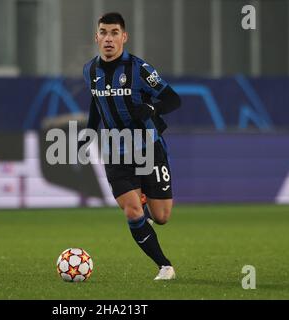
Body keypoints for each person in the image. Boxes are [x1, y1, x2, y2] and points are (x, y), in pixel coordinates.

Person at [80, 12, 181, 280]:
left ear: (124, 37)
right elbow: (95, 102)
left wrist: (151, 107)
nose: (108, 38)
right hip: (115, 149)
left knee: (161, 217)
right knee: (132, 211)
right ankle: (165, 266)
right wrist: (89, 133)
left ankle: (147, 201)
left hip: (149, 148)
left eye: (114, 33)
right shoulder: (90, 70)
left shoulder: (140, 69)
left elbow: (173, 100)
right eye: (103, 32)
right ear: (96, 36)